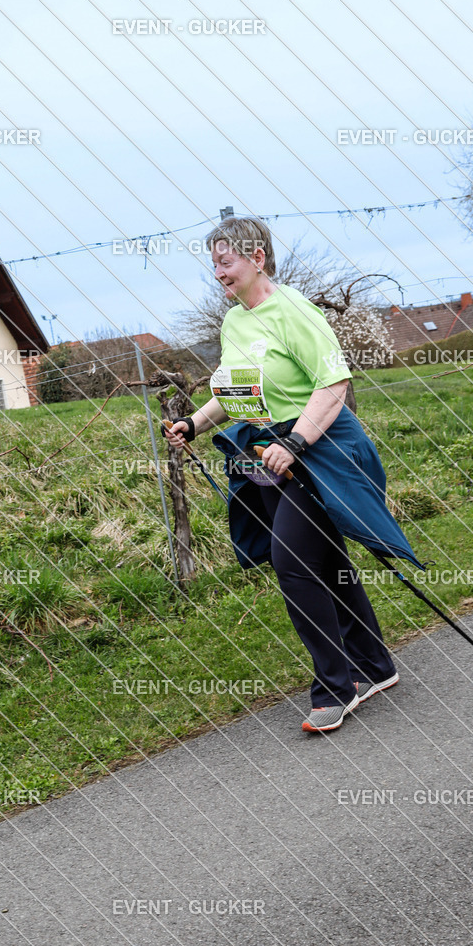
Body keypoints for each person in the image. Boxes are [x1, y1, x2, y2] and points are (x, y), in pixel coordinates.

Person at [164, 216, 423, 733]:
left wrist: (297, 442)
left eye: (225, 262)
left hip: (321, 445)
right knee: (324, 558)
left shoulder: (294, 310)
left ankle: (336, 687)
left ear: (257, 258)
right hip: (269, 452)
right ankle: (375, 666)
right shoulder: (234, 322)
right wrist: (194, 423)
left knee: (293, 561)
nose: (218, 273)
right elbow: (238, 392)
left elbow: (333, 384)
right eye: (213, 265)